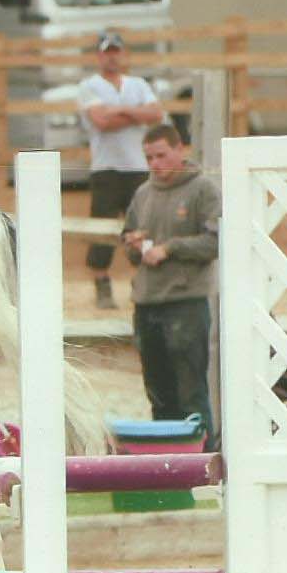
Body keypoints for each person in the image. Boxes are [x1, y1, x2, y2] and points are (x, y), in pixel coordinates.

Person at [122, 123, 220, 447]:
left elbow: (214, 242)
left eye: (161, 155)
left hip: (185, 302)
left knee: (191, 390)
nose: (155, 164)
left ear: (181, 150)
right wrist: (134, 244)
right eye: (149, 157)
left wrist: (171, 248)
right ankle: (166, 459)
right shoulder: (142, 194)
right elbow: (129, 246)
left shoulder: (202, 189)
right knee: (158, 390)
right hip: (147, 302)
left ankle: (203, 456)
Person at [77, 31, 162, 309]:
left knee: (142, 225)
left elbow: (156, 115)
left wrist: (119, 110)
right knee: (102, 227)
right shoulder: (89, 86)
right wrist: (135, 113)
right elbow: (101, 121)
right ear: (100, 56)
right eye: (107, 52)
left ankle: (144, 280)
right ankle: (102, 283)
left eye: (116, 51)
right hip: (107, 166)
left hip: (137, 165)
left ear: (123, 54)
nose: (112, 56)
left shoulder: (137, 84)